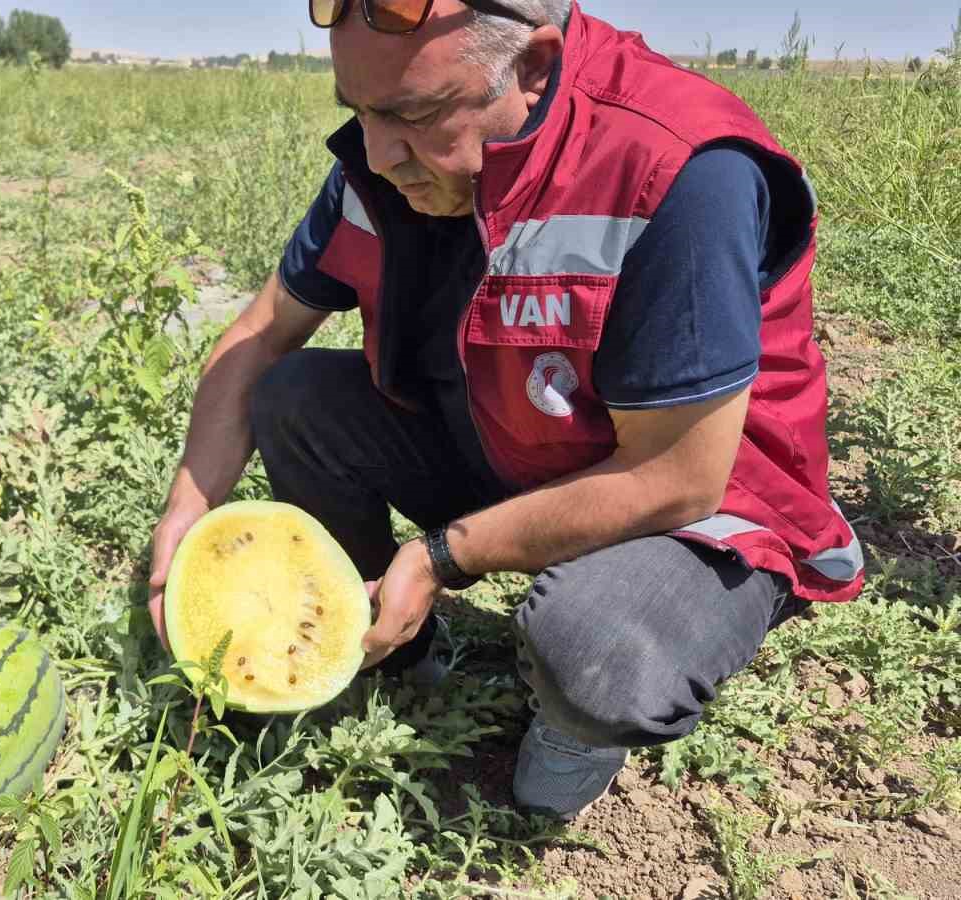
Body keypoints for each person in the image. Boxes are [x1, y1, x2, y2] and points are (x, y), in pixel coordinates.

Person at [145, 0, 864, 821]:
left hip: (705, 508)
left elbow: (679, 477)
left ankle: (580, 719)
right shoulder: (385, 165)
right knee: (295, 396)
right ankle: (391, 644)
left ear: (532, 68)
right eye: (360, 112)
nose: (377, 154)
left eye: (414, 114)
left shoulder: (676, 166)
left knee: (591, 648)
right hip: (523, 440)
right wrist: (187, 509)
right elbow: (258, 336)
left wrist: (441, 557)